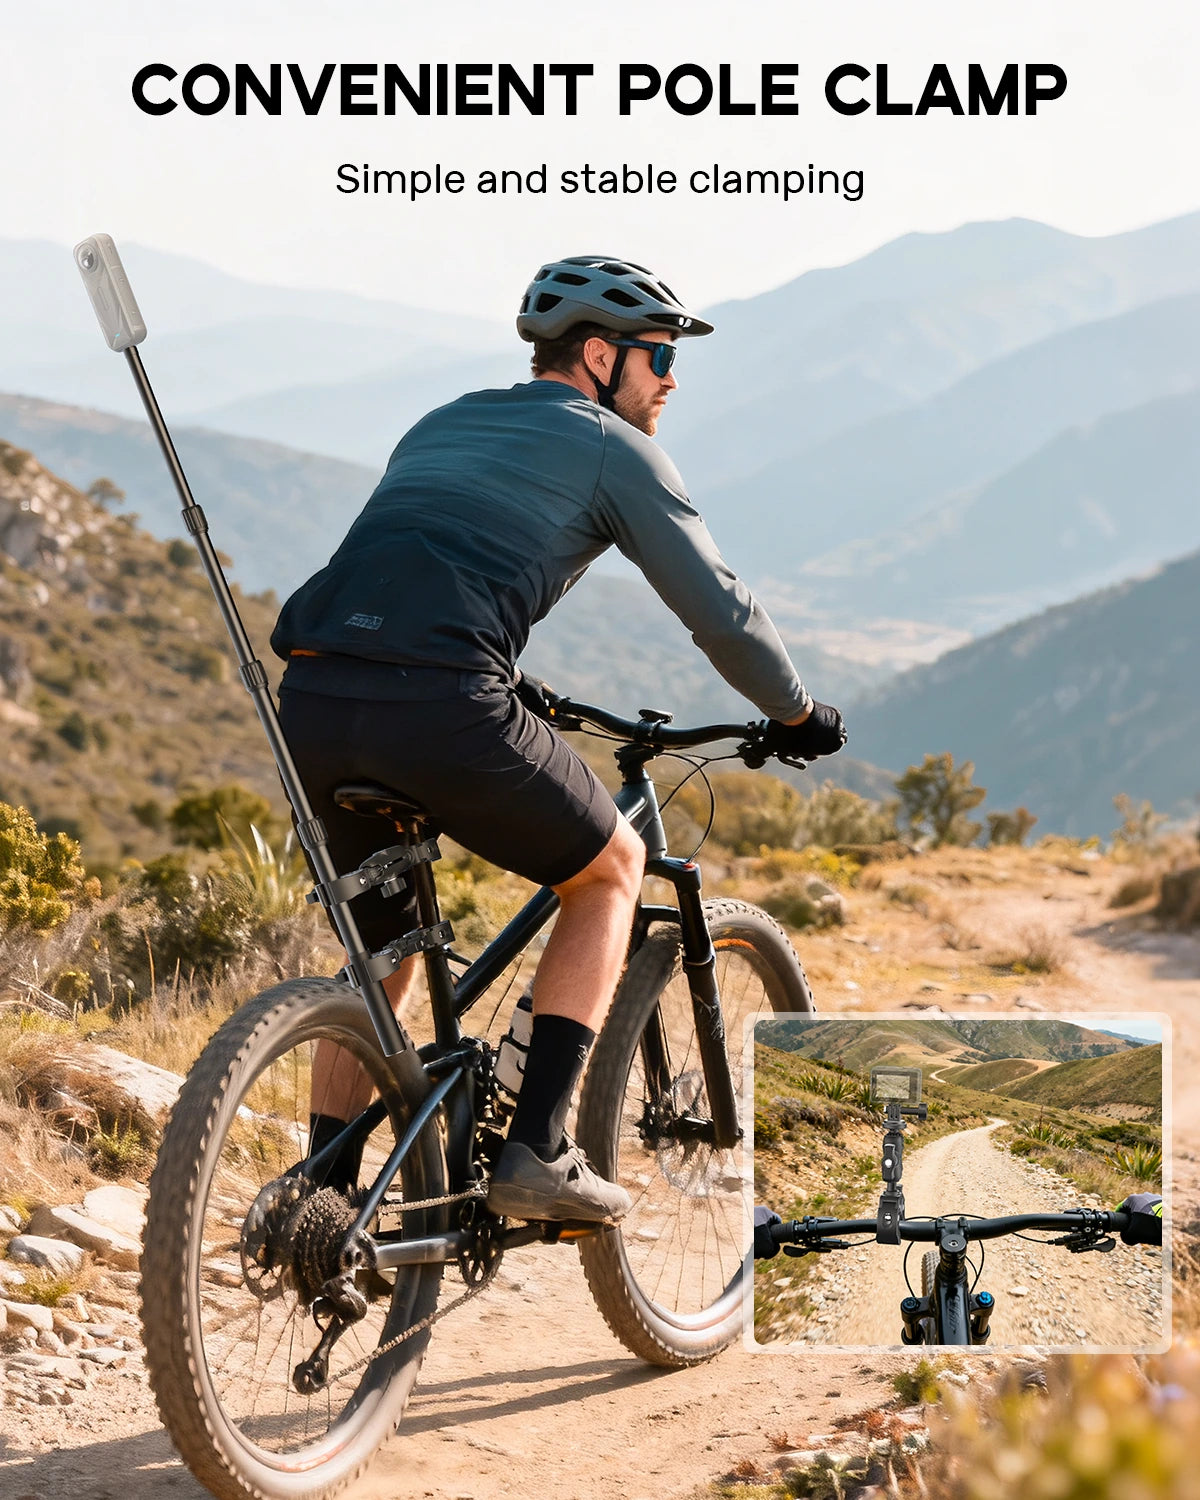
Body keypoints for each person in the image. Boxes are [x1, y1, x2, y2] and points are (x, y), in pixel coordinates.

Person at [270, 255, 847, 1224]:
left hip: (318, 698)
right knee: (614, 867)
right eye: (659, 355)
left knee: (388, 956)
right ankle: (537, 1146)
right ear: (597, 354)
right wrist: (796, 713)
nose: (671, 377)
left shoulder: (442, 420)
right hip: (443, 699)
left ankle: (321, 1203)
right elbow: (724, 615)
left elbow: (419, 567)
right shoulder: (615, 450)